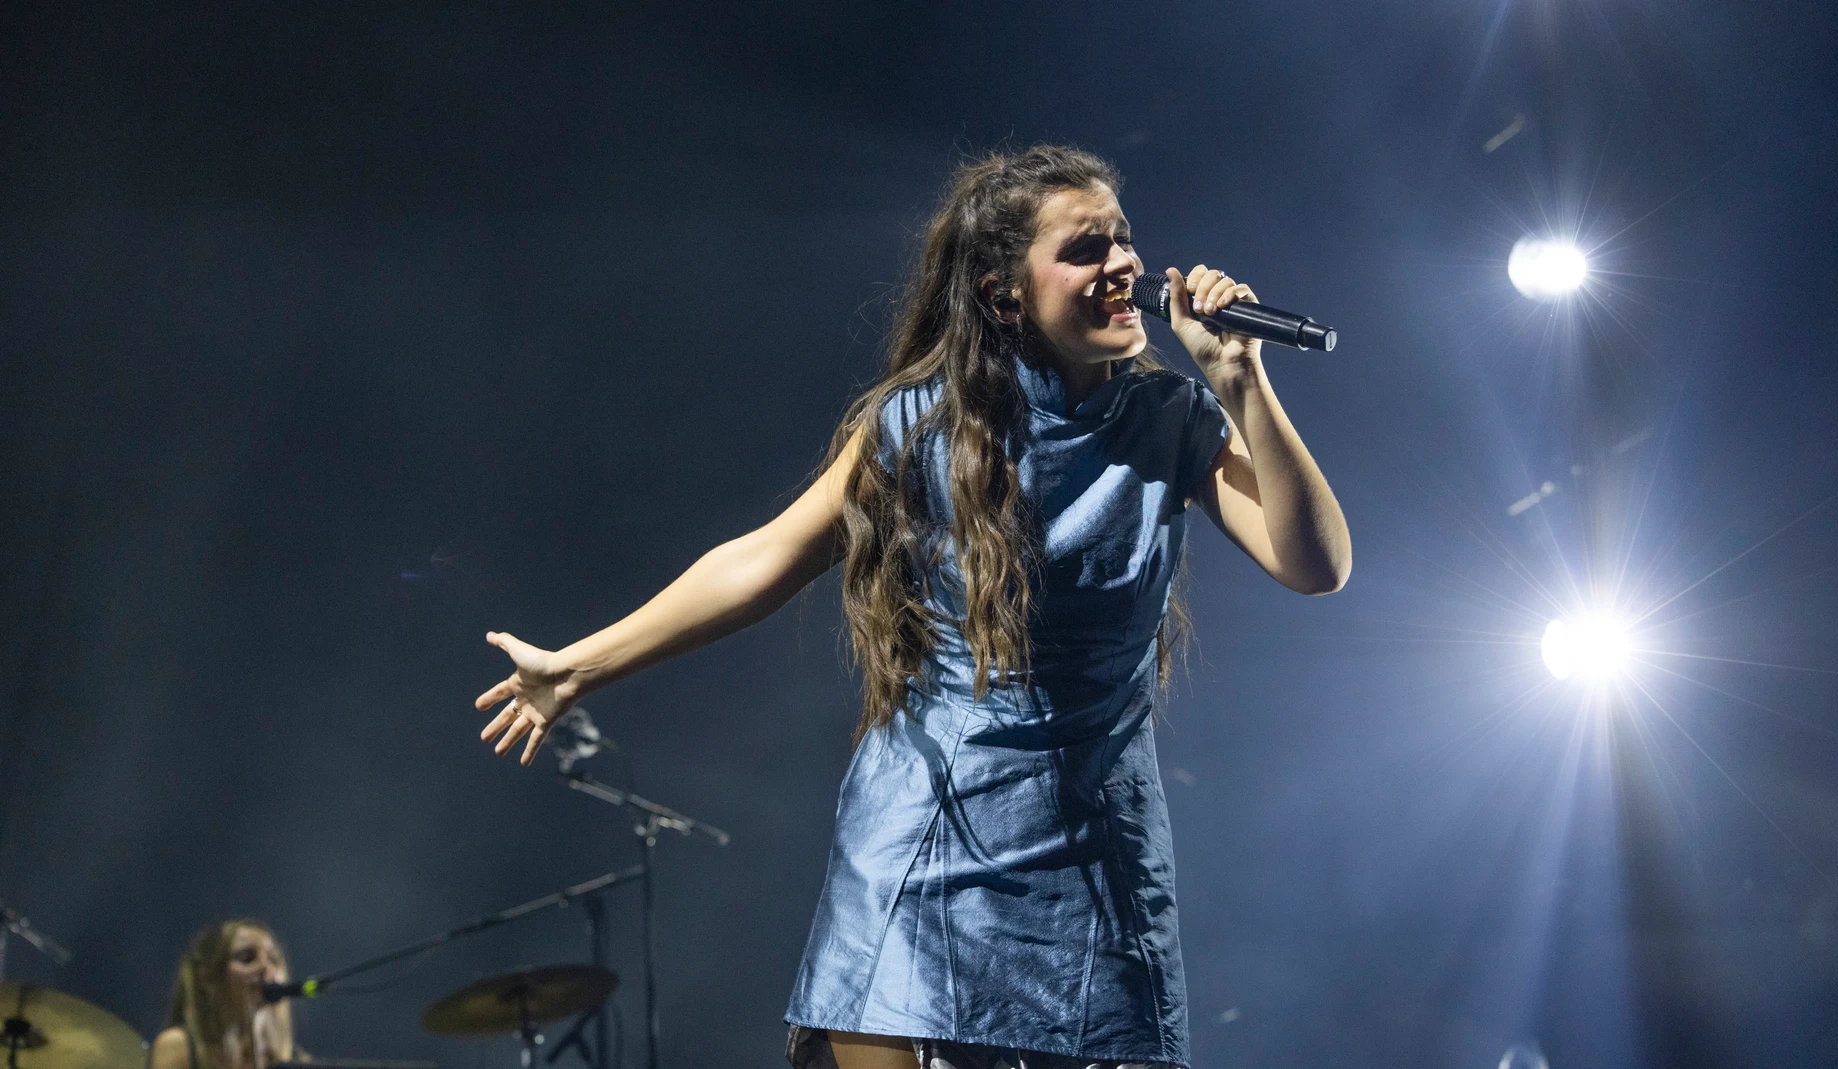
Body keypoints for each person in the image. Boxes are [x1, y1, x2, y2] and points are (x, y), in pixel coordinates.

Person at [476, 145, 1350, 1069]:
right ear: (1005, 293)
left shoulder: (1171, 416)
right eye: (1086, 249)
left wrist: (1242, 379)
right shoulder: (918, 423)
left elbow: (1315, 563)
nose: (1124, 264)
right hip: (926, 838)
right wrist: (580, 664)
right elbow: (764, 559)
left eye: (1123, 241)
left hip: (1094, 855)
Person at [150, 920, 302, 1069]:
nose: (266, 967)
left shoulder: (292, 1060)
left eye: (273, 958)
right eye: (246, 958)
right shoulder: (178, 1046)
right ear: (206, 978)